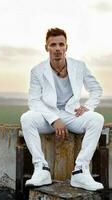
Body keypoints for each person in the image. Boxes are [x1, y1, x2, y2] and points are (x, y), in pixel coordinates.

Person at [20, 27, 104, 191]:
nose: (57, 48)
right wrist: (54, 119)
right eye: (53, 45)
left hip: (72, 114)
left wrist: (88, 106)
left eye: (61, 44)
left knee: (97, 119)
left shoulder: (79, 66)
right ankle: (41, 169)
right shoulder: (37, 70)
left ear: (66, 47)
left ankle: (80, 171)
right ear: (47, 48)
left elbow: (96, 89)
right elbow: (34, 101)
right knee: (27, 118)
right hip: (48, 116)